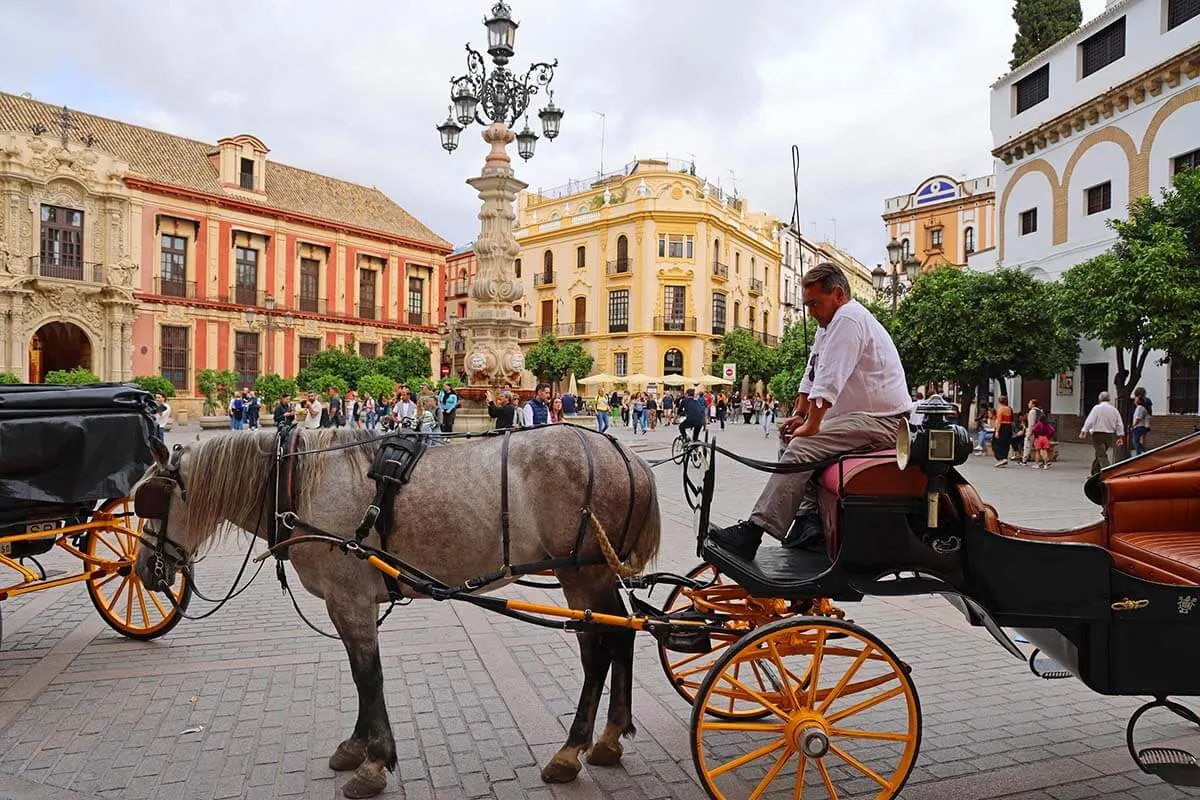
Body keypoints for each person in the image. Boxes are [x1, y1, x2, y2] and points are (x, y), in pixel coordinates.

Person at [709, 262, 912, 560]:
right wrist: (799, 415)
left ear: (839, 294)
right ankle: (808, 521)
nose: (811, 311)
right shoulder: (828, 325)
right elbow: (812, 373)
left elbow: (829, 380)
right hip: (859, 419)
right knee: (790, 437)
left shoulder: (849, 319)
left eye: (815, 303)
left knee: (803, 445)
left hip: (883, 422)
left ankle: (754, 531)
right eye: (807, 305)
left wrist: (813, 424)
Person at [1079, 391, 1124, 473]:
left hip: (1098, 434)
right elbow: (1119, 423)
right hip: (1109, 435)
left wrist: (1084, 430)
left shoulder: (1096, 408)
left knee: (1101, 454)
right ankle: (1094, 472)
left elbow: (1090, 420)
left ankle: (1108, 470)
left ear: (1100, 399)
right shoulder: (1114, 410)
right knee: (1099, 454)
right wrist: (1120, 436)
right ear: (1109, 399)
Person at [993, 396, 1014, 467]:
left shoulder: (1000, 409)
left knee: (996, 442)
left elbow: (999, 421)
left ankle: (1000, 457)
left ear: (999, 402)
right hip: (1009, 427)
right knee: (1006, 443)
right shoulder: (1009, 409)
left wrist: (997, 431)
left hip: (1002, 427)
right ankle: (1004, 457)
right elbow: (1011, 419)